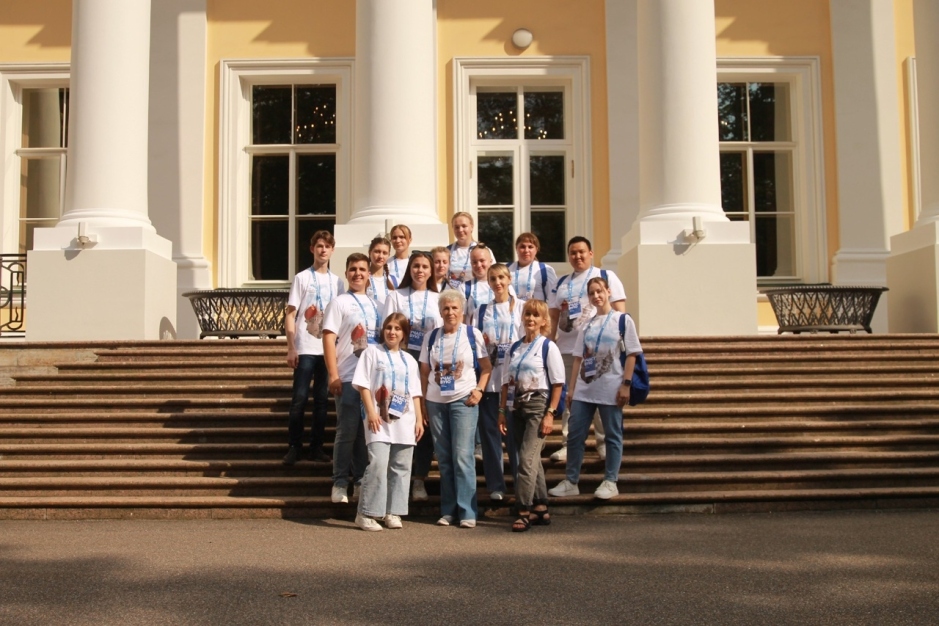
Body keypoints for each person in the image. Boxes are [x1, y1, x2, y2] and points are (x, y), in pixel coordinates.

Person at [549, 276, 642, 500]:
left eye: (599, 291)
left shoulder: (622, 320)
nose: (596, 296)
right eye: (592, 293)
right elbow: (578, 358)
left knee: (612, 435)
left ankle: (610, 481)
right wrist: (572, 389)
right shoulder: (587, 324)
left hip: (611, 387)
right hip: (584, 389)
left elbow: (632, 354)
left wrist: (626, 384)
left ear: (608, 292)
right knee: (575, 435)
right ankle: (571, 481)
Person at [548, 236, 627, 463]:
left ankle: (603, 444)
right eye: (573, 252)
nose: (577, 256)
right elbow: (553, 315)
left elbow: (620, 310)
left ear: (591, 253)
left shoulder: (606, 276)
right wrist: (550, 342)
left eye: (581, 252)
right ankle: (568, 444)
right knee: (570, 398)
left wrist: (619, 343)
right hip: (567, 349)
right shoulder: (562, 283)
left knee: (602, 396)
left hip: (599, 350)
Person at [419, 288, 492, 528]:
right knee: (444, 458)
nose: (450, 312)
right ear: (440, 312)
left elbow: (486, 367)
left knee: (462, 456)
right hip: (436, 402)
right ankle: (448, 510)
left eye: (454, 308)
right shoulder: (431, 337)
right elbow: (424, 372)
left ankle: (467, 511)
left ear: (462, 311)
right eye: (446, 308)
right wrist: (423, 402)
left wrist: (479, 390)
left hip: (464, 400)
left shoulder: (472, 334)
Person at [352, 312, 424, 531]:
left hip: (404, 420)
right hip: (378, 419)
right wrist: (371, 412)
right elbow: (363, 385)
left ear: (404, 334)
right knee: (378, 463)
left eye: (397, 329)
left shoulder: (409, 360)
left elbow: (415, 393)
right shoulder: (372, 353)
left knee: (401, 466)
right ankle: (366, 513)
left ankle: (393, 512)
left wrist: (419, 419)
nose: (392, 332)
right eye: (389, 328)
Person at [382, 251, 443, 501]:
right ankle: (392, 478)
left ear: (431, 271)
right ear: (410, 269)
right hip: (400, 364)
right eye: (416, 266)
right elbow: (386, 330)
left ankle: (419, 478)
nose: (420, 270)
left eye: (425, 267)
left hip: (428, 366)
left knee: (422, 421)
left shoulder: (438, 298)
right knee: (395, 416)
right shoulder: (396, 296)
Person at [499, 299, 564, 531]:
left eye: (536, 315)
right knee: (530, 459)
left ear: (544, 321)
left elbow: (558, 383)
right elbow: (505, 382)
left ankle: (523, 510)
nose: (530, 319)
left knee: (526, 460)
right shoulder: (514, 348)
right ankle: (541, 507)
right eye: (527, 314)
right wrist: (502, 411)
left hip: (538, 405)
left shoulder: (548, 346)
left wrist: (550, 413)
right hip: (516, 406)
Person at [322, 253, 381, 504]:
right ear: (346, 273)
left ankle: (359, 480)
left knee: (364, 434)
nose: (358, 273)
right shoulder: (339, 302)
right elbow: (328, 338)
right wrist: (333, 374)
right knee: (346, 431)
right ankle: (339, 482)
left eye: (362, 269)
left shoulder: (377, 305)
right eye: (353, 269)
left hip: (371, 380)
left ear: (369, 274)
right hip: (347, 375)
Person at [283, 230, 345, 465]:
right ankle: (294, 446)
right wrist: (291, 347)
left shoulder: (337, 282)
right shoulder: (302, 278)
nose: (323, 250)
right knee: (299, 398)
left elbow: (341, 317)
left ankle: (316, 447)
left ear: (332, 250)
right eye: (319, 246)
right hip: (305, 346)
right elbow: (291, 314)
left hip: (327, 349)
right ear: (312, 249)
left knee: (321, 400)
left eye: (327, 246)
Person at [471, 263, 524, 501]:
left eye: (501, 277)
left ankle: (522, 484)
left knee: (515, 435)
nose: (498, 282)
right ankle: (496, 485)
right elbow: (475, 346)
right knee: (490, 434)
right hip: (490, 382)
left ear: (509, 279)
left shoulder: (522, 307)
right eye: (493, 279)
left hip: (514, 383)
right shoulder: (481, 311)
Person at [448, 212, 495, 289]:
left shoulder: (484, 251)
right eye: (456, 227)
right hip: (452, 293)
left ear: (472, 227)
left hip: (476, 293)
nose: (460, 230)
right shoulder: (447, 251)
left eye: (464, 226)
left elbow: (494, 274)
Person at [508, 232, 557, 302]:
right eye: (522, 247)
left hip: (536, 309)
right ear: (516, 248)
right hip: (512, 309)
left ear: (536, 249)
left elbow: (553, 299)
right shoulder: (507, 269)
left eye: (530, 247)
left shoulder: (544, 270)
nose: (526, 250)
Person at [463, 243, 496, 322]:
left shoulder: (503, 285)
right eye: (474, 262)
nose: (478, 265)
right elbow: (462, 318)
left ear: (490, 261)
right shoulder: (464, 287)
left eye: (482, 260)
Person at [366, 235, 395, 307]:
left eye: (384, 253)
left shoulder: (393, 280)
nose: (380, 256)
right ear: (370, 252)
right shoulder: (363, 278)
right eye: (377, 252)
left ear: (388, 255)